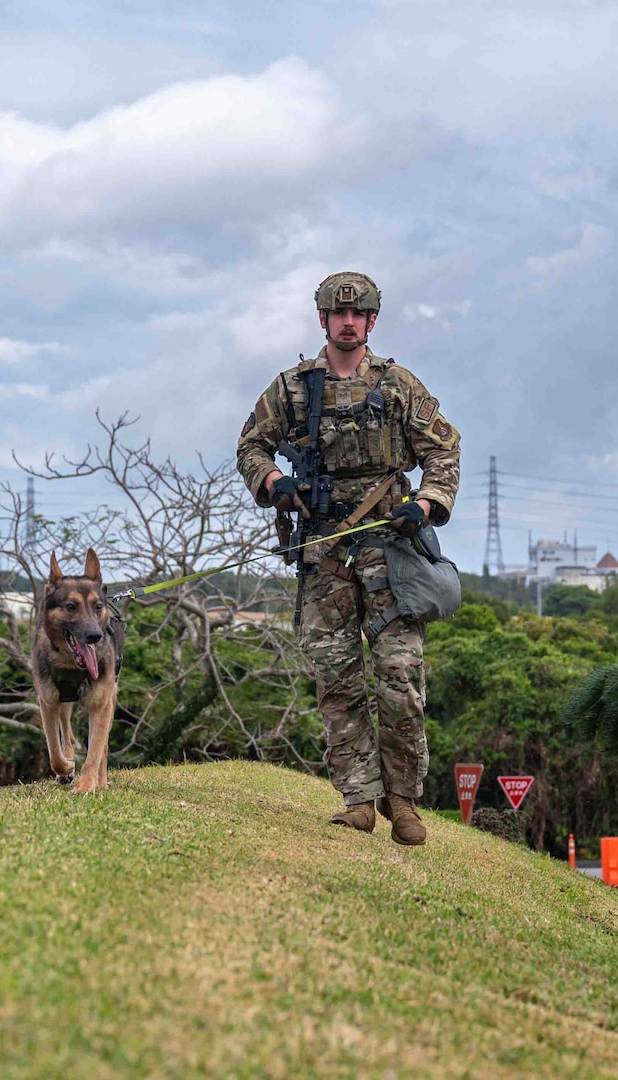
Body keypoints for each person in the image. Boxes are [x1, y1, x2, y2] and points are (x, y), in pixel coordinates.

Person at [235, 271, 462, 845]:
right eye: (339, 314)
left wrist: (428, 503)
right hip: (324, 551)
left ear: (371, 321)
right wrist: (274, 482)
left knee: (399, 675)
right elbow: (250, 445)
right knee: (336, 678)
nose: (348, 322)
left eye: (358, 314)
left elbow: (443, 447)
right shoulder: (292, 389)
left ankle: (404, 802)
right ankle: (358, 799)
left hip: (389, 550)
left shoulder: (398, 386)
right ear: (322, 320)